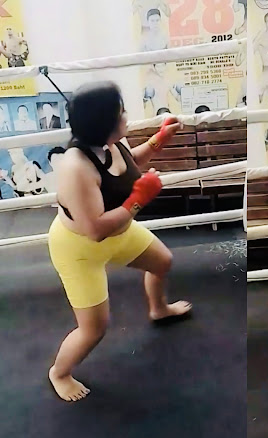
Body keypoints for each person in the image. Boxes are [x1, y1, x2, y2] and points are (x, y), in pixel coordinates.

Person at [48, 81, 192, 402]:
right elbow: (95, 230)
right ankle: (59, 372)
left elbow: (128, 165)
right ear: (104, 122)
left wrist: (158, 140)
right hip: (80, 249)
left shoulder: (111, 143)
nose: (126, 116)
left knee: (162, 262)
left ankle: (159, 309)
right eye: (120, 112)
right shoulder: (76, 167)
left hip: (120, 232)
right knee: (94, 329)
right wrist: (140, 199)